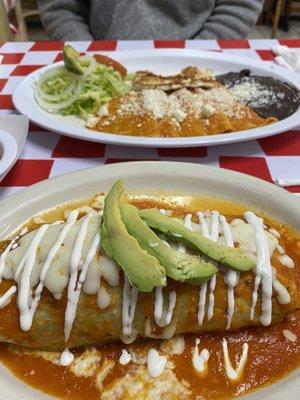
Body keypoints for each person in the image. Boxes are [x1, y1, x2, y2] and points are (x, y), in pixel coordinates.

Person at [38, 0, 263, 41]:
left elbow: (238, 5)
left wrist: (201, 51)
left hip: (200, 53)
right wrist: (87, 57)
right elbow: (61, 8)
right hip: (101, 56)